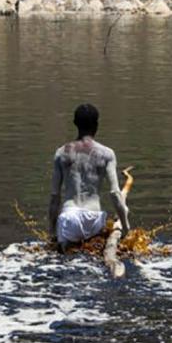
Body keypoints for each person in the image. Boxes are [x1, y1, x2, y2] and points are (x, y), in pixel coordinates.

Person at [48, 104, 130, 252]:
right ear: (96, 124)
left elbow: (55, 197)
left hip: (69, 217)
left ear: (75, 123)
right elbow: (115, 194)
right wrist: (125, 227)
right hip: (95, 219)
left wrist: (51, 233)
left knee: (66, 258)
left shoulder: (61, 153)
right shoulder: (107, 154)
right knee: (93, 255)